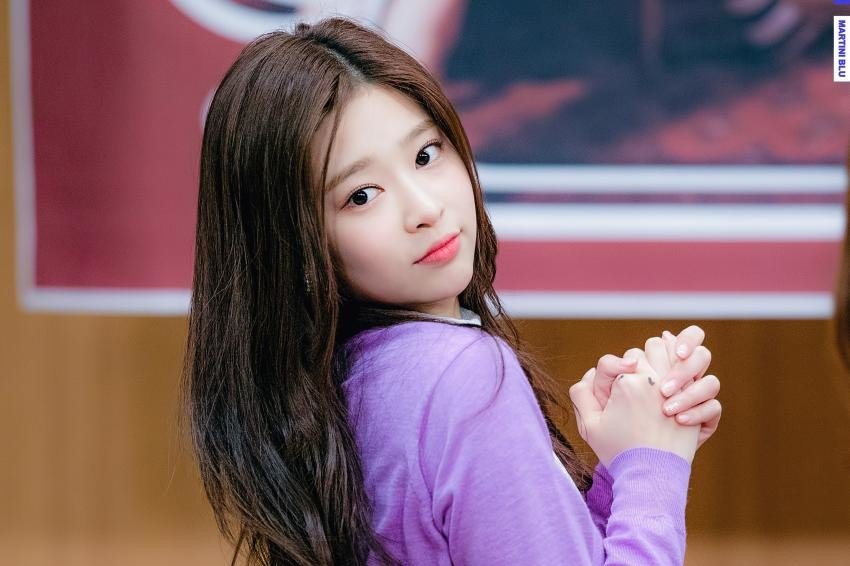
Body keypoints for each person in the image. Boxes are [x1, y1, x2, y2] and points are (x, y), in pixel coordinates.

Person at [181, 16, 722, 565]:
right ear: (295, 242)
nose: (425, 208)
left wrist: (624, 464)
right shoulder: (461, 374)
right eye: (362, 195)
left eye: (425, 155)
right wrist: (653, 465)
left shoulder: (340, 382)